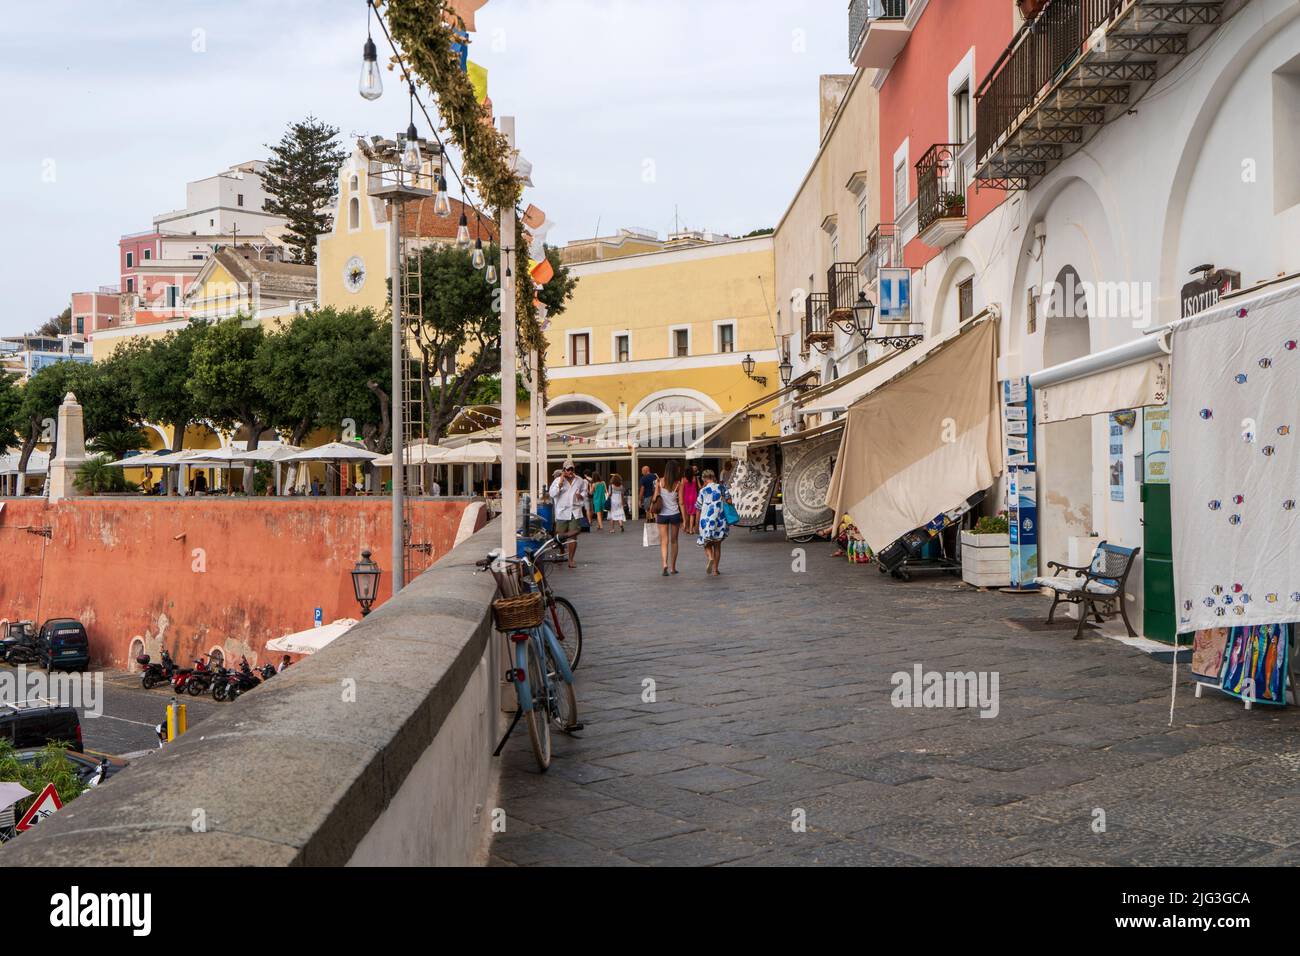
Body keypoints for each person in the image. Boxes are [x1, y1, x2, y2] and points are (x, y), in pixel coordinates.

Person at [548, 461, 583, 568]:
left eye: (572, 469)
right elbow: (552, 494)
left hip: (574, 511)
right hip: (562, 512)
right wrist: (560, 484)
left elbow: (585, 493)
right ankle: (562, 551)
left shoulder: (580, 480)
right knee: (560, 536)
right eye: (568, 469)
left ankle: (571, 560)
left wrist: (580, 496)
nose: (570, 471)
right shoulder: (557, 480)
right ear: (564, 470)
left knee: (573, 536)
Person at [696, 469, 730, 575]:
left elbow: (698, 508)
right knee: (717, 545)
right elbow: (729, 501)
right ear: (713, 477)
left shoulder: (702, 491)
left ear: (704, 479)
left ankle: (710, 557)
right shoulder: (721, 487)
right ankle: (715, 570)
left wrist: (696, 523)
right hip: (719, 519)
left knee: (706, 543)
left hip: (705, 521)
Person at [653, 460, 684, 576]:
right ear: (675, 470)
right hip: (675, 514)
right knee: (674, 541)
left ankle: (664, 564)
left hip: (662, 515)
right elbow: (681, 502)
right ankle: (673, 567)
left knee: (664, 541)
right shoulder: (678, 484)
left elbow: (655, 498)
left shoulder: (659, 482)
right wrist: (684, 519)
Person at [681, 465, 700, 535]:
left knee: (687, 513)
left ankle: (687, 528)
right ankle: (691, 530)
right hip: (694, 497)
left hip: (686, 498)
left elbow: (682, 490)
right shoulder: (695, 478)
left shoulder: (683, 479)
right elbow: (700, 487)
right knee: (692, 514)